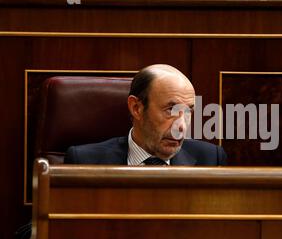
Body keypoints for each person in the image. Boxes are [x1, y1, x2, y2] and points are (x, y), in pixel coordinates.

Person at [64, 64, 227, 166]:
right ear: (136, 108)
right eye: (171, 110)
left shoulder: (211, 160)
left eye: (187, 112)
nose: (182, 127)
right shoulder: (84, 162)